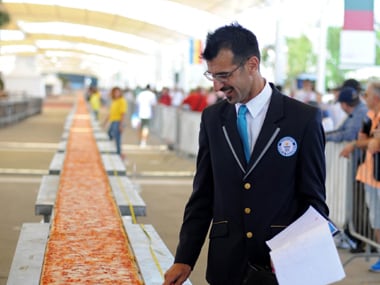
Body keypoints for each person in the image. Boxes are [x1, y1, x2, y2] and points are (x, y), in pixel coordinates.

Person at [163, 23, 329, 285]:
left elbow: (314, 202)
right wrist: (184, 258)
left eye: (224, 75)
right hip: (226, 265)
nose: (218, 85)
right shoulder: (212, 119)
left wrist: (294, 253)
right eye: (212, 76)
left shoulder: (302, 119)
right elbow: (203, 195)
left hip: (279, 268)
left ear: (252, 64)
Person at [341, 80, 380, 272]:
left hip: (376, 175)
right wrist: (369, 141)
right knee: (375, 218)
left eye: (367, 95)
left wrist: (371, 141)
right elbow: (363, 140)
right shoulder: (369, 116)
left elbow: (373, 142)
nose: (364, 99)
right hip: (369, 174)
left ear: (375, 97)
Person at [102, 86, 127, 157]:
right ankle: (117, 151)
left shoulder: (122, 101)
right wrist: (105, 122)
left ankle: (119, 153)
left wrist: (121, 124)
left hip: (118, 121)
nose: (116, 93)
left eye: (118, 92)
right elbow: (111, 113)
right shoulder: (114, 101)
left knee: (117, 137)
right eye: (115, 92)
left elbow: (123, 113)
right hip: (113, 120)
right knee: (110, 134)